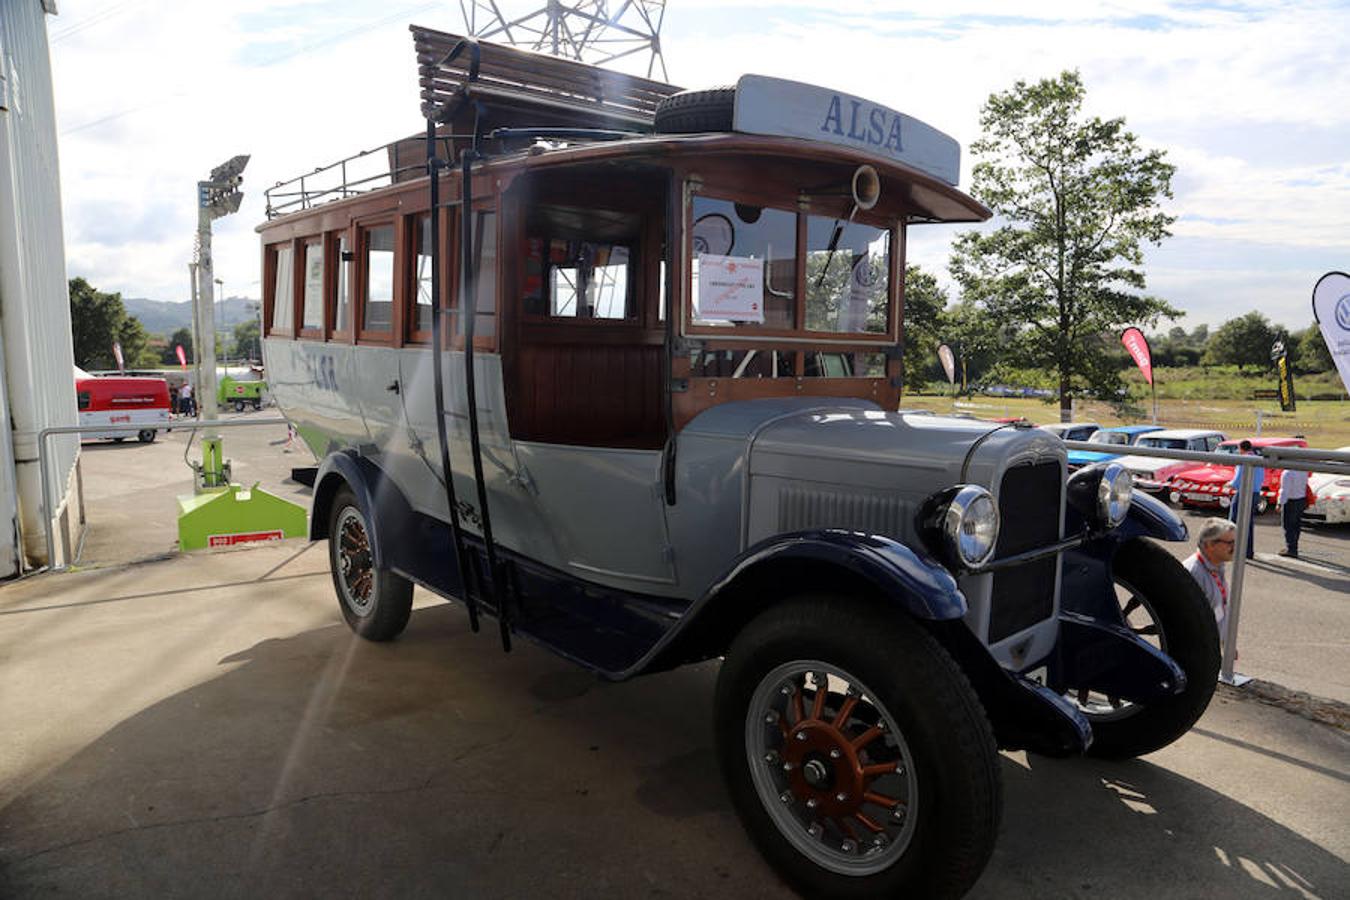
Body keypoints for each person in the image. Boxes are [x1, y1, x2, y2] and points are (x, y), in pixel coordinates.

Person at [1184, 517, 1236, 648]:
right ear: (1210, 545)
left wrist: (1225, 641)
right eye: (1230, 543)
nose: (1235, 547)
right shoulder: (1194, 573)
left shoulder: (1217, 566)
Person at [1226, 440, 1263, 560]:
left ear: (1241, 448)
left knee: (1234, 522)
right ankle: (1248, 551)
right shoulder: (1259, 460)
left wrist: (1229, 484)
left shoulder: (1243, 461)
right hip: (1255, 493)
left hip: (1243, 492)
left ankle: (1234, 550)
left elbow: (1237, 481)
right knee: (1248, 523)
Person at [1277, 463, 1310, 558]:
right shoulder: (1303, 471)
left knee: (1288, 526)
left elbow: (1284, 491)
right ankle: (1294, 546)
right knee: (1296, 525)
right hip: (1301, 499)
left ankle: (1291, 548)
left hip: (1291, 501)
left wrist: (1280, 503)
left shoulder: (1287, 473)